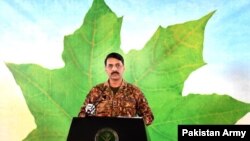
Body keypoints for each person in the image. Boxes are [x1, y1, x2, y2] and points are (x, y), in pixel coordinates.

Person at [78, 52, 154, 126]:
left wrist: (132, 123)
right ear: (106, 69)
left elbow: (149, 117)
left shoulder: (135, 91)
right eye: (110, 66)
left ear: (123, 68)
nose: (114, 69)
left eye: (118, 65)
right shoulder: (96, 91)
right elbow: (82, 115)